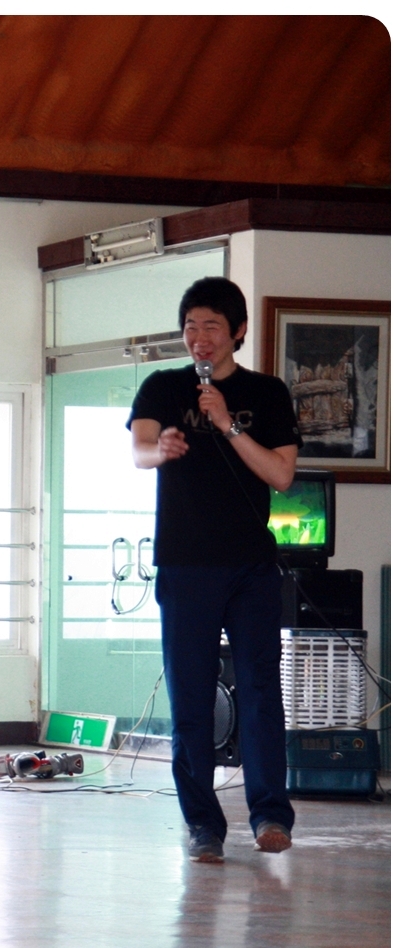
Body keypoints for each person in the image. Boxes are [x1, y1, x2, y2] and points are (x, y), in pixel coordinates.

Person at [128, 276, 301, 863]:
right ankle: (204, 825)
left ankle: (270, 816)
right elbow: (140, 449)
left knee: (259, 691)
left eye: (212, 327)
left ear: (238, 331)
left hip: (251, 566)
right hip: (186, 564)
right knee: (192, 699)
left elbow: (281, 476)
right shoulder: (161, 386)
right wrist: (161, 451)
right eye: (190, 327)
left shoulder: (267, 393)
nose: (199, 338)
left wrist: (228, 423)